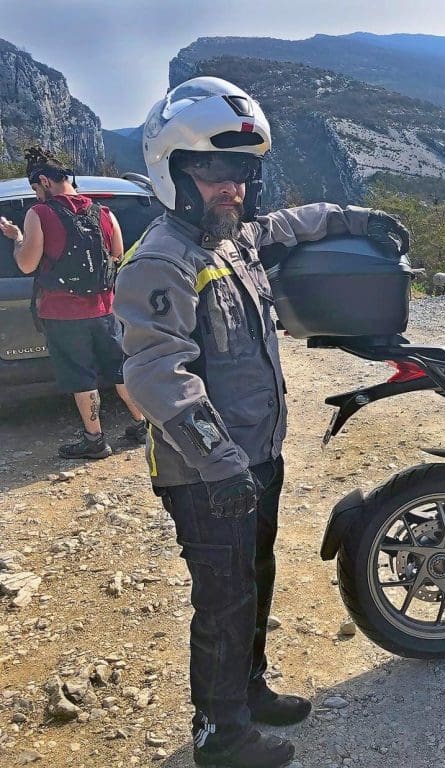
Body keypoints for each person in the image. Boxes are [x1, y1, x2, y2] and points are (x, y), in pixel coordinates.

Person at [113, 77, 410, 768]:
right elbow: (157, 374)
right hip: (206, 471)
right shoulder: (162, 259)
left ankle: (247, 690)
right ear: (174, 171)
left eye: (243, 172)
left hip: (255, 458)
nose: (233, 188)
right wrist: (221, 464)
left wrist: (356, 218)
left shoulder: (233, 239)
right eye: (215, 170)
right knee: (222, 598)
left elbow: (290, 225)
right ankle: (220, 734)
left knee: (255, 576)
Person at [0, 146, 147, 458]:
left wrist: (17, 239)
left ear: (44, 181)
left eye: (35, 189)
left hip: (63, 313)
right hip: (105, 309)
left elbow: (27, 264)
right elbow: (117, 256)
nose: (36, 195)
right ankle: (142, 424)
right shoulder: (105, 214)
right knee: (119, 368)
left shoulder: (39, 213)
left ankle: (95, 440)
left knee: (81, 376)